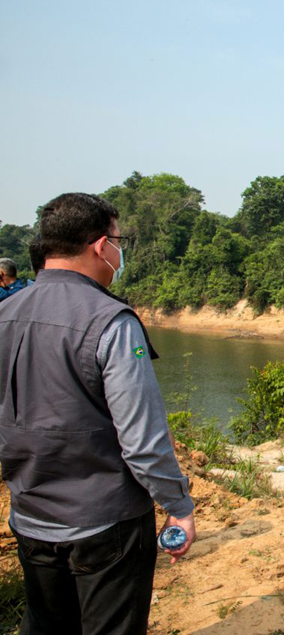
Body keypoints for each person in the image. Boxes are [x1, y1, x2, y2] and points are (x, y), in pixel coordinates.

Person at [0, 192, 196, 635]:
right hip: (107, 525)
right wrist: (178, 505)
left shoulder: (5, 313)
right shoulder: (112, 322)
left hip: (30, 518)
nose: (118, 250)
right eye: (117, 239)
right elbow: (142, 442)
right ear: (99, 246)